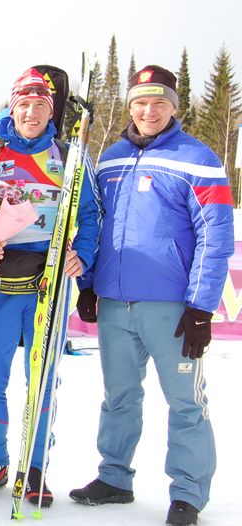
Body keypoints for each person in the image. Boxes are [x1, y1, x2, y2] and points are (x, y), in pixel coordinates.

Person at [69, 65, 234, 526]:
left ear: (174, 108)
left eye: (159, 103)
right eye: (141, 102)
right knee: (118, 396)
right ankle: (115, 478)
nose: (149, 110)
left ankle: (187, 493)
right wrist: (88, 285)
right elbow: (92, 225)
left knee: (185, 402)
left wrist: (201, 307)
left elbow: (215, 235)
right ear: (130, 107)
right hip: (115, 303)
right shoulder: (112, 158)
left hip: (172, 308)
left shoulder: (197, 159)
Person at [0, 68, 100, 507]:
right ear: (12, 107)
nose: (32, 112)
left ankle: (34, 464)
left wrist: (85, 254)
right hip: (2, 284)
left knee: (40, 381)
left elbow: (92, 214)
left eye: (41, 105)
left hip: (49, 283)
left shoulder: (69, 156)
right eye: (24, 104)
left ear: (51, 111)